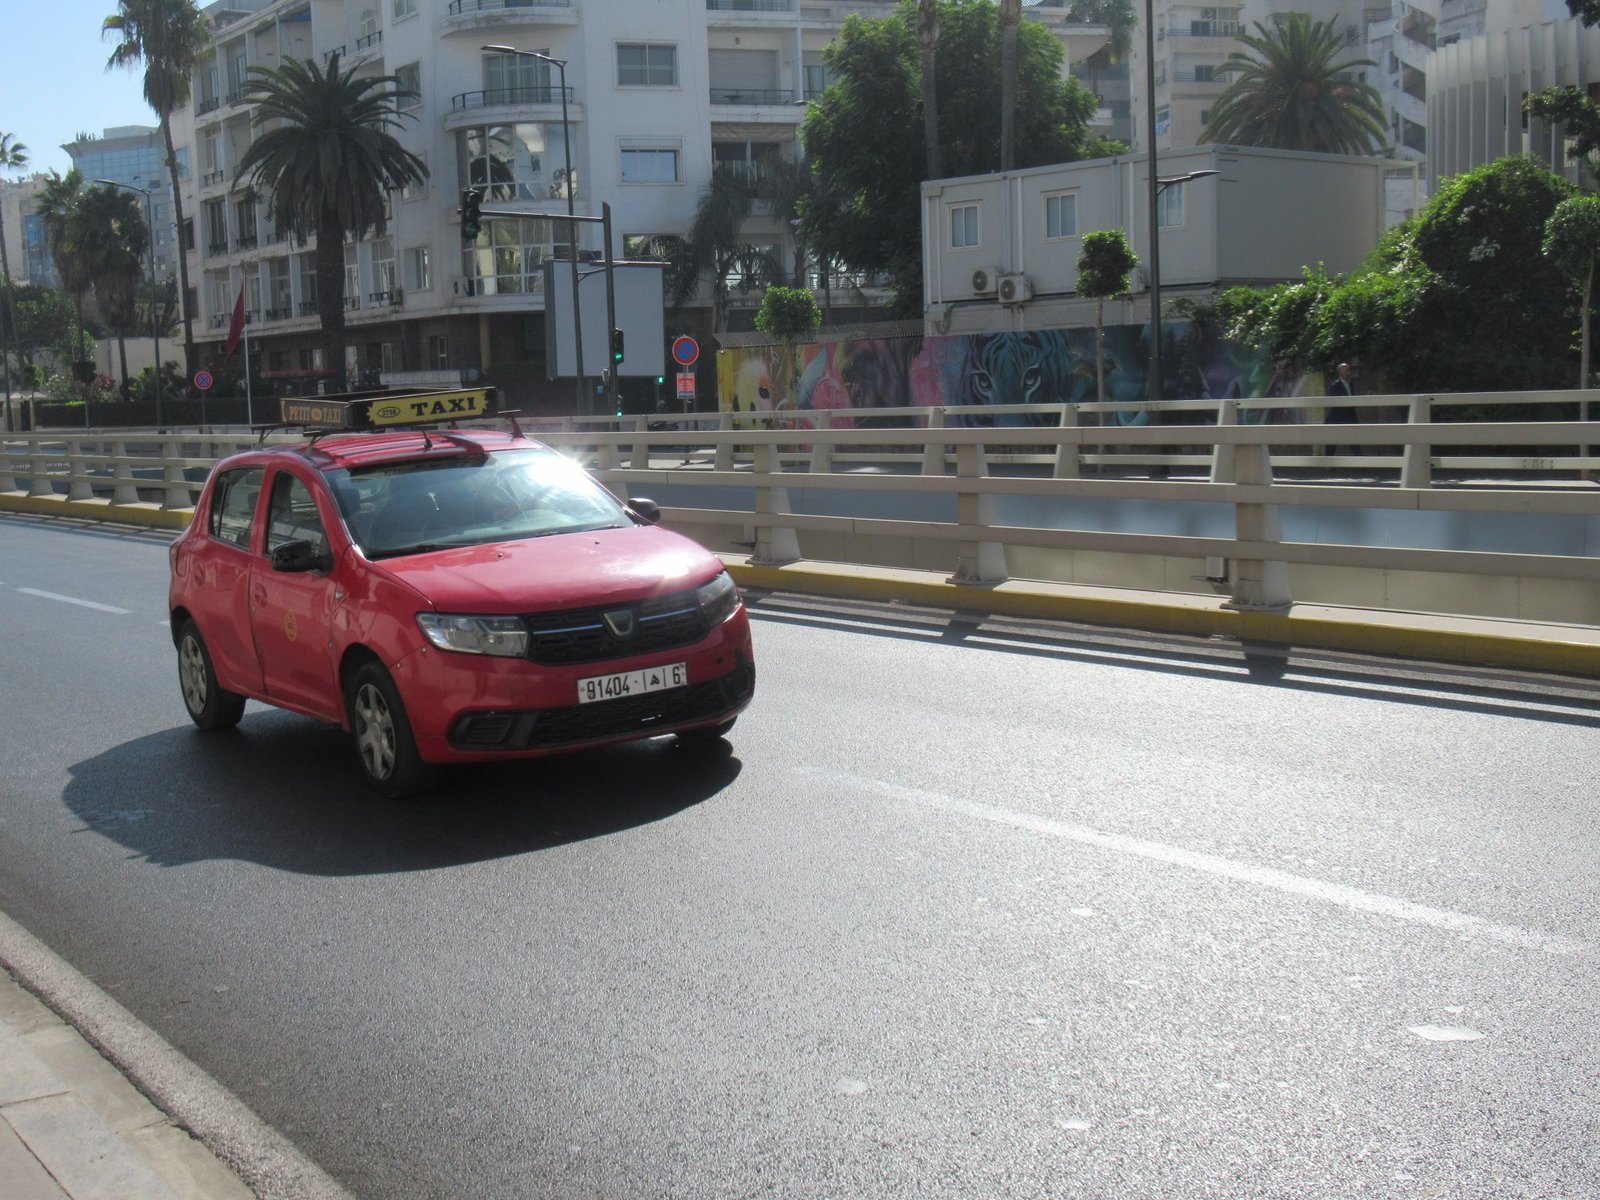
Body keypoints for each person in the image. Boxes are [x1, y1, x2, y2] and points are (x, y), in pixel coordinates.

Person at [1326, 361, 1359, 455]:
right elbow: (1333, 400)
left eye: (1349, 370)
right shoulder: (1335, 385)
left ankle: (1360, 461)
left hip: (1350, 416)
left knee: (1354, 439)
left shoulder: (1350, 384)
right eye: (1346, 371)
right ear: (1340, 372)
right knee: (1332, 441)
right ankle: (1329, 462)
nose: (1348, 373)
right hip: (1338, 417)